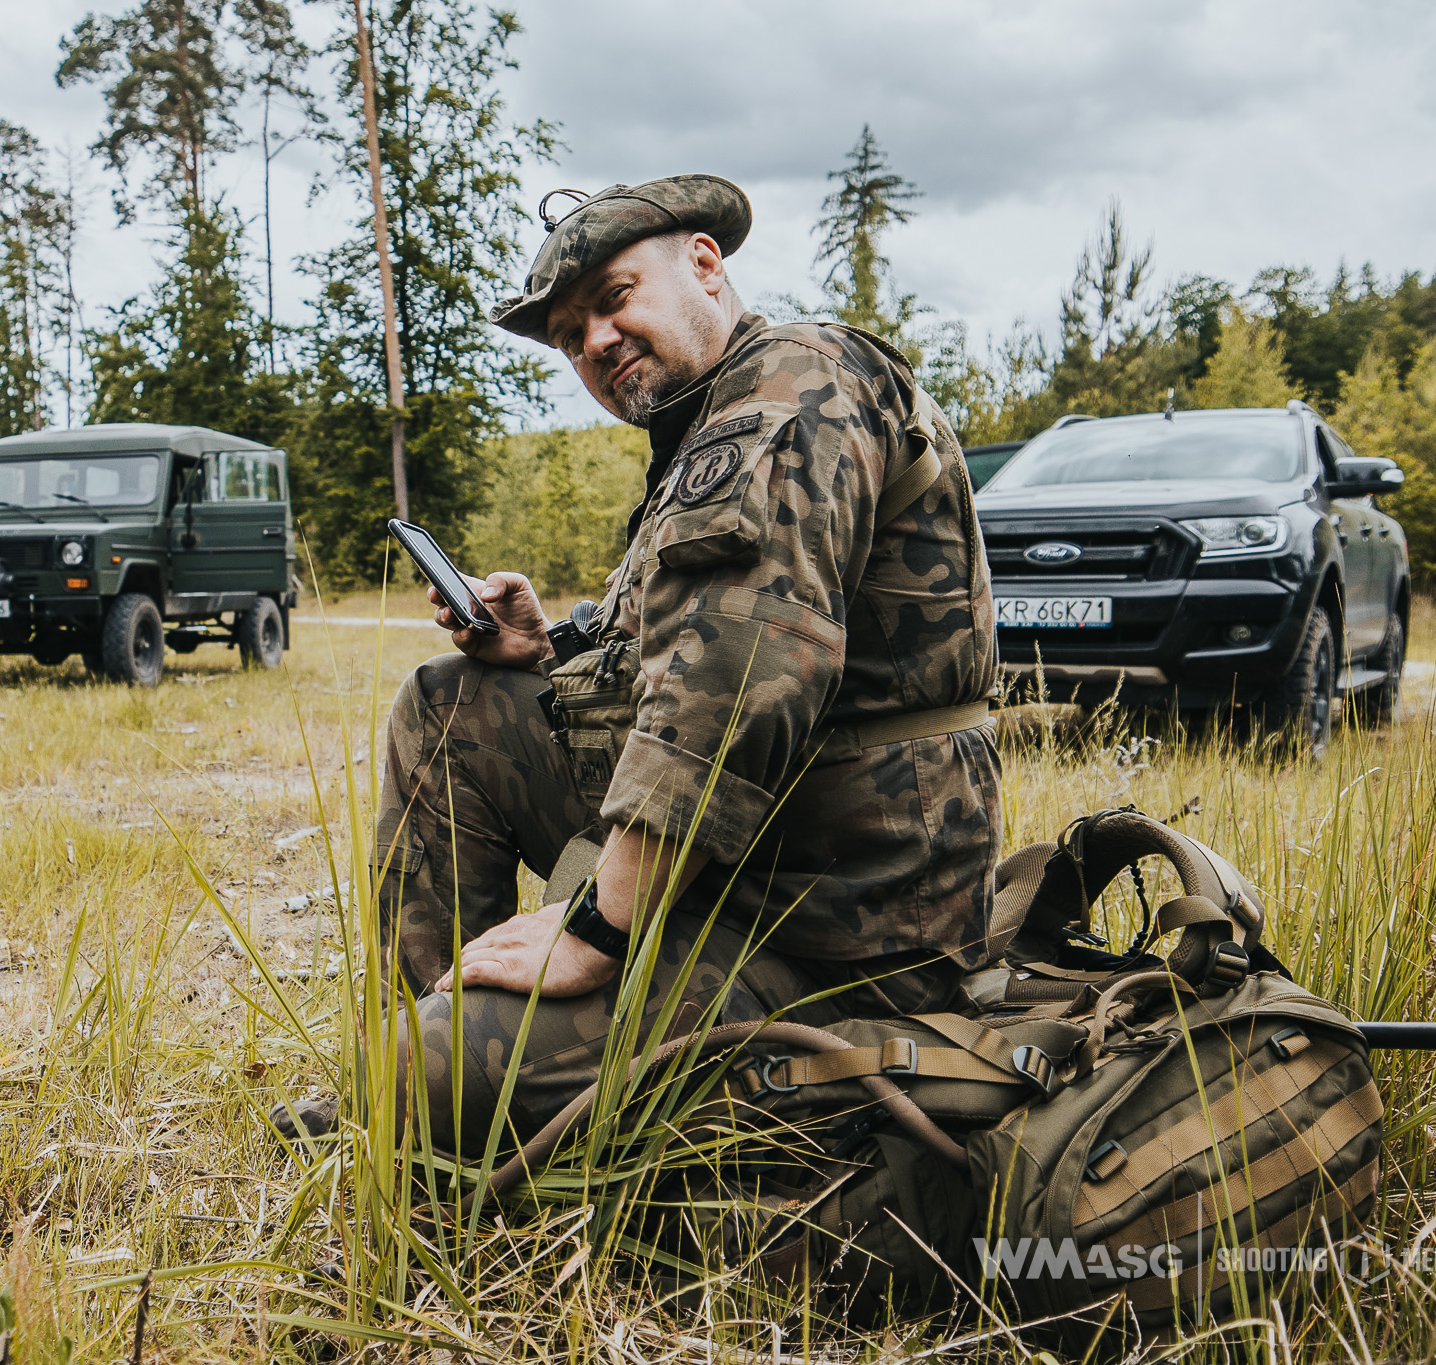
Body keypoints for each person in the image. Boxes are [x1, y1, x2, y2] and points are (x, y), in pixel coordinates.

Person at [351, 174, 1001, 1158]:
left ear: (703, 265)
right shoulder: (706, 425)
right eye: (570, 338)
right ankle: (444, 1016)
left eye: (612, 300)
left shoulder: (790, 388)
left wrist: (593, 932)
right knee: (455, 701)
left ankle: (429, 1077)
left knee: (415, 1077)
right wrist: (547, 649)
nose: (595, 344)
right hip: (746, 868)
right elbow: (670, 643)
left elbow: (735, 679)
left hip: (836, 923)